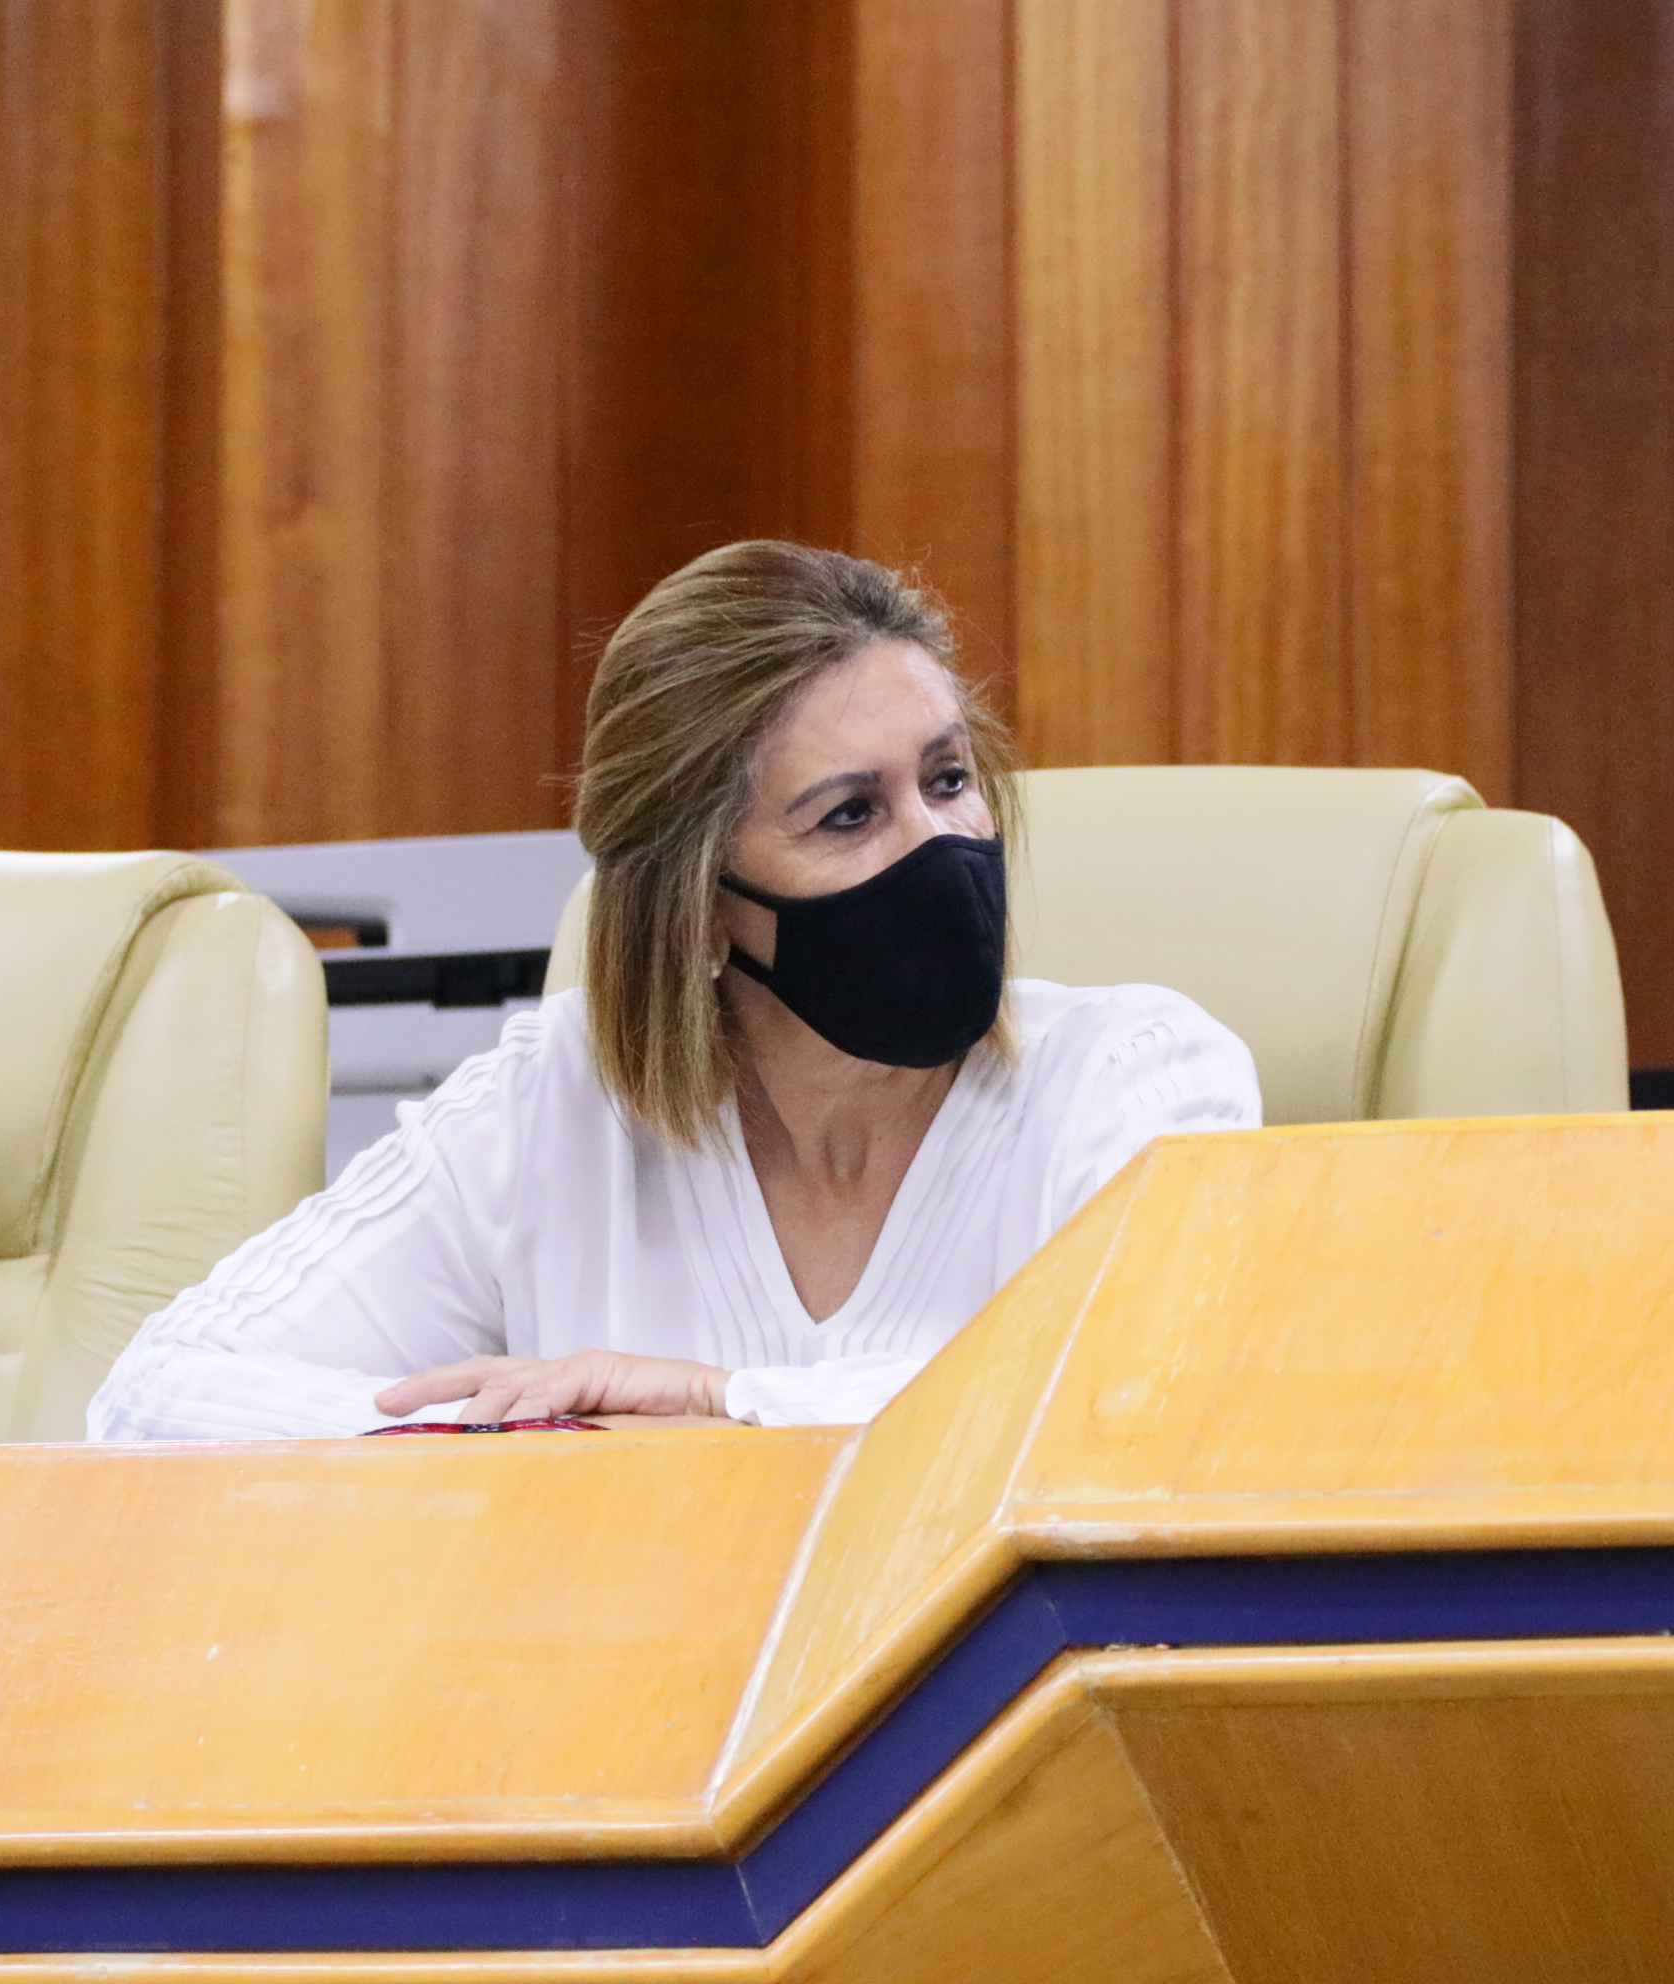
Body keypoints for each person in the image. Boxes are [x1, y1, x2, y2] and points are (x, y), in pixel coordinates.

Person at [88, 542, 1259, 1438]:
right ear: (698, 902)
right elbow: (155, 1397)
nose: (940, 844)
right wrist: (530, 1441)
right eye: (850, 814)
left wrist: (714, 1404)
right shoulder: (556, 1103)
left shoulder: (1137, 1076)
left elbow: (1134, 1400)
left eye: (948, 778)